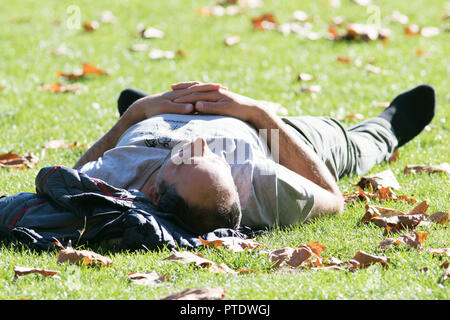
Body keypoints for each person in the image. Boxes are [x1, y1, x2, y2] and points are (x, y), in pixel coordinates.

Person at [73, 82, 436, 234]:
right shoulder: (259, 182)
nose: (199, 143)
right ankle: (388, 127)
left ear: (152, 190)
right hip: (271, 136)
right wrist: (259, 115)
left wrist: (137, 114)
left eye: (188, 156)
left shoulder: (117, 178)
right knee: (349, 146)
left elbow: (67, 180)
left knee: (136, 109)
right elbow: (335, 200)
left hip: (161, 112)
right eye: (209, 158)